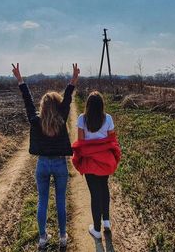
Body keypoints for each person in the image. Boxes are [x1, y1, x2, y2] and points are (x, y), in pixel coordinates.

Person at [12, 63, 80, 249]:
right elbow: (67, 98)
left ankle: (43, 238)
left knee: (42, 200)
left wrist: (20, 80)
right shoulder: (62, 118)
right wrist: (73, 79)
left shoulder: (35, 120)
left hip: (42, 165)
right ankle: (63, 237)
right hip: (59, 165)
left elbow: (28, 100)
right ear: (58, 106)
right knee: (60, 201)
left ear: (42, 106)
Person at [71, 91, 121, 239]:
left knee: (95, 194)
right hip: (105, 161)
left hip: (89, 163)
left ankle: (97, 230)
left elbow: (81, 142)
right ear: (101, 105)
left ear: (88, 105)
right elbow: (112, 140)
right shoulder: (108, 118)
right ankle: (106, 222)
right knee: (104, 189)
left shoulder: (82, 119)